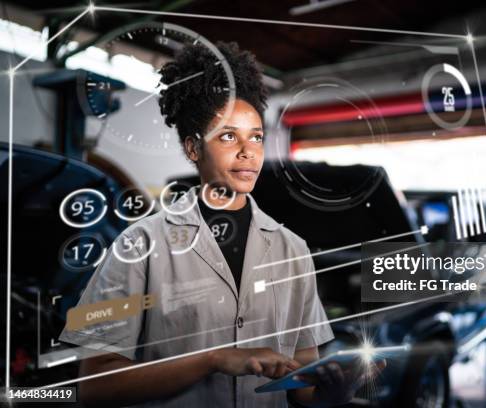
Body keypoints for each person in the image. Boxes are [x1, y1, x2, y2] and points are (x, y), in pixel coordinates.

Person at [59, 41, 384, 407]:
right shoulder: (138, 246)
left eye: (256, 137)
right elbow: (95, 386)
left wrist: (330, 393)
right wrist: (211, 360)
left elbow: (302, 376)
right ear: (193, 149)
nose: (248, 151)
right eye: (229, 136)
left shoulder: (292, 249)